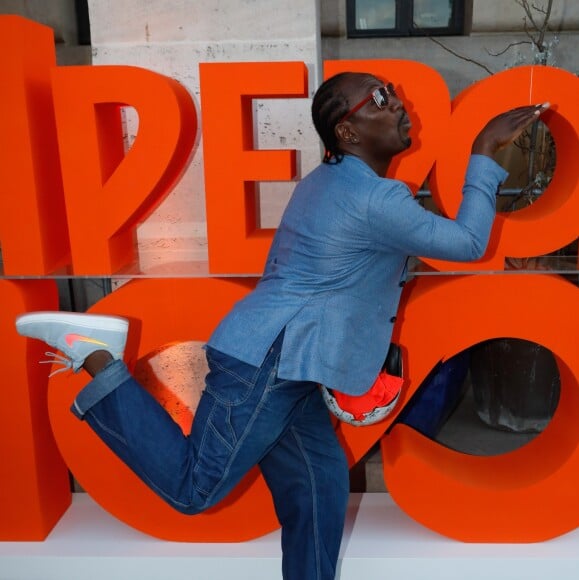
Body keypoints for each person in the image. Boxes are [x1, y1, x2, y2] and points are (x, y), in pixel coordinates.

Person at [16, 72, 548, 580]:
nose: (400, 104)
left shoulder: (327, 182)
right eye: (382, 99)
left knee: (319, 492)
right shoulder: (372, 197)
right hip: (267, 366)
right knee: (193, 489)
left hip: (287, 364)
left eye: (391, 93)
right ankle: (98, 359)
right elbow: (468, 244)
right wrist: (482, 152)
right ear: (347, 131)